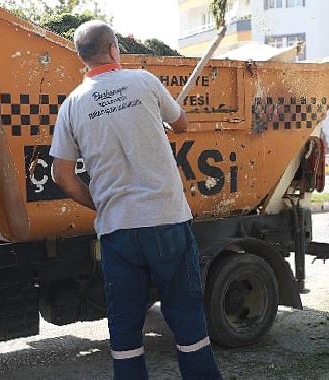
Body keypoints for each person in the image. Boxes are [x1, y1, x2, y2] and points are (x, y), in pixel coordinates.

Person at [50, 20, 222, 379]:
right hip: (166, 220)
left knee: (126, 332)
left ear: (82, 58)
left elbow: (61, 176)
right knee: (188, 322)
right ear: (114, 49)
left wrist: (102, 203)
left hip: (118, 229)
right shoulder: (143, 82)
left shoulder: (72, 105)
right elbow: (182, 125)